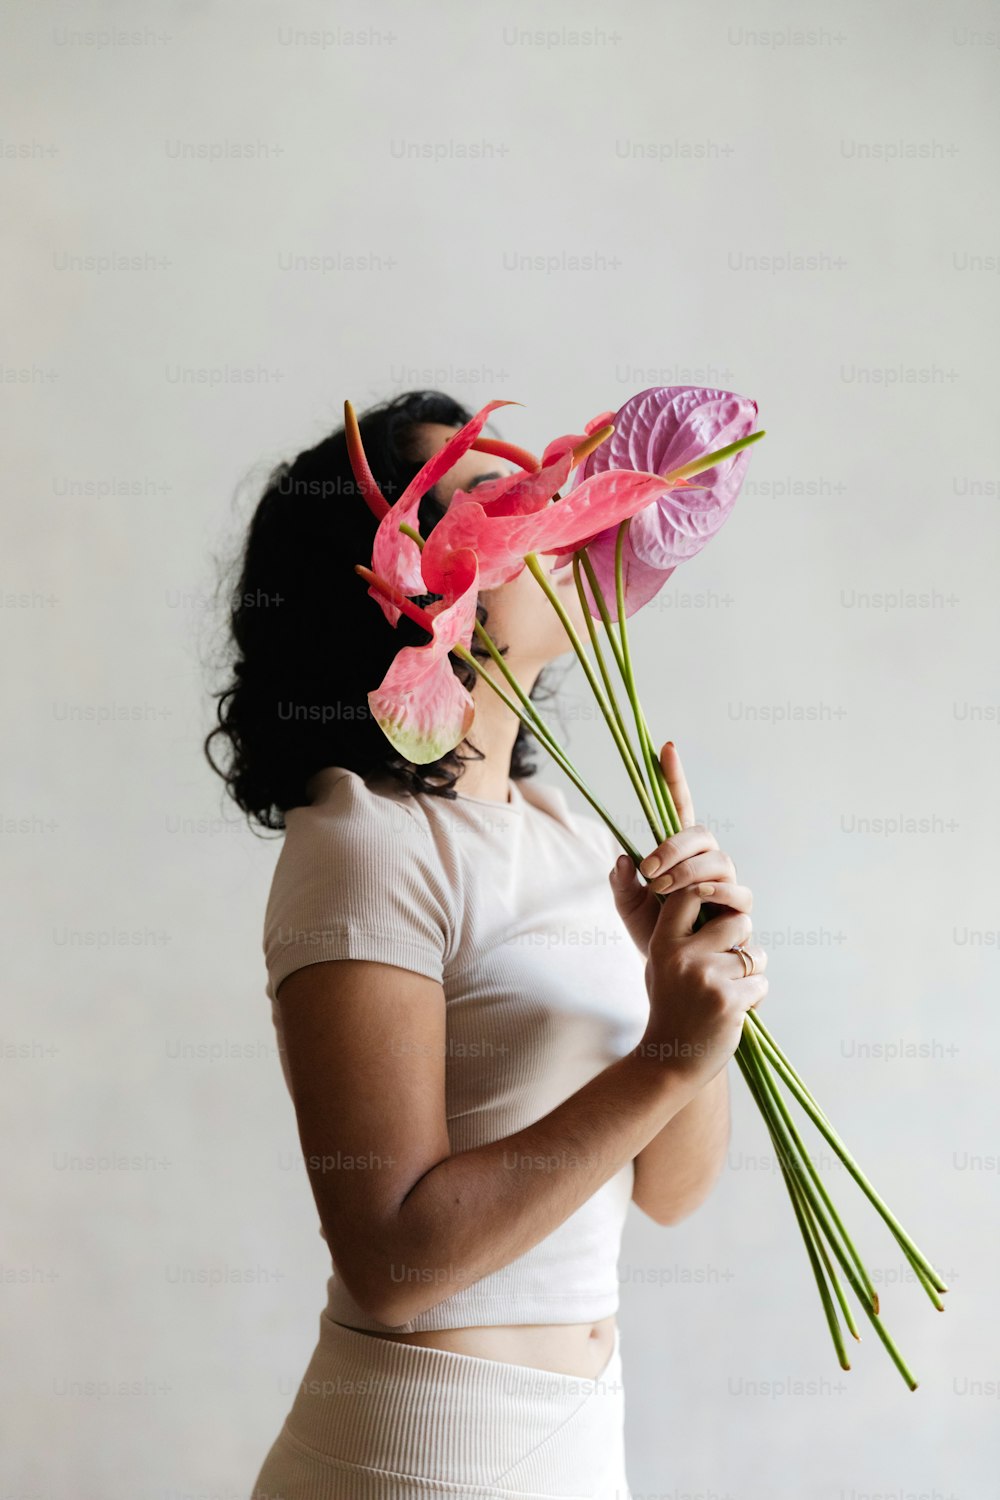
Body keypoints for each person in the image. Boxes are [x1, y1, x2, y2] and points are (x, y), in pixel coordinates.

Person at [206, 390, 767, 1499]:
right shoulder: (366, 843)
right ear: (390, 594)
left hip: (577, 1446)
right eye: (479, 499)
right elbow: (393, 1261)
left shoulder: (559, 829)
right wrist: (664, 1056)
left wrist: (698, 1020)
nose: (544, 504)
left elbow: (669, 1190)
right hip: (422, 1456)